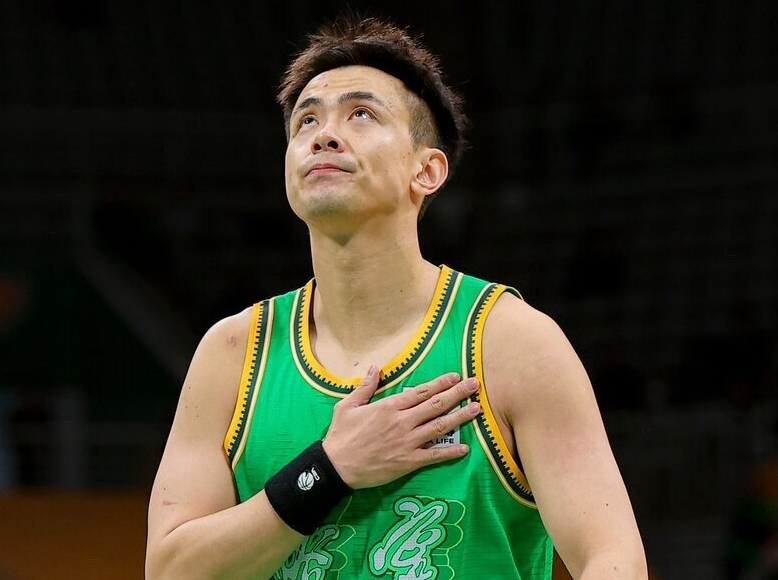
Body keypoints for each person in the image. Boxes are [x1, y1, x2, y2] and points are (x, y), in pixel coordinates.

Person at [145, 16, 647, 580]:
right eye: (307, 120)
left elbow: (614, 559)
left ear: (426, 170)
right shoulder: (234, 352)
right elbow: (169, 570)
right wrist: (329, 469)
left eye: (361, 114)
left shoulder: (511, 341)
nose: (323, 135)